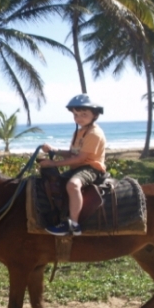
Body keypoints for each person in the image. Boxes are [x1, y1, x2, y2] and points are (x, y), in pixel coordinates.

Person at [39, 94, 107, 236]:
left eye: (84, 114)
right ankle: (59, 215)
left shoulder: (94, 133)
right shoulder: (79, 132)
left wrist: (53, 163)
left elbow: (80, 158)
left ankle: (73, 225)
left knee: (73, 185)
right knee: (53, 183)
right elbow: (72, 154)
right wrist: (54, 150)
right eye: (76, 115)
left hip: (91, 168)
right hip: (78, 167)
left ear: (95, 115)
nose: (79, 118)